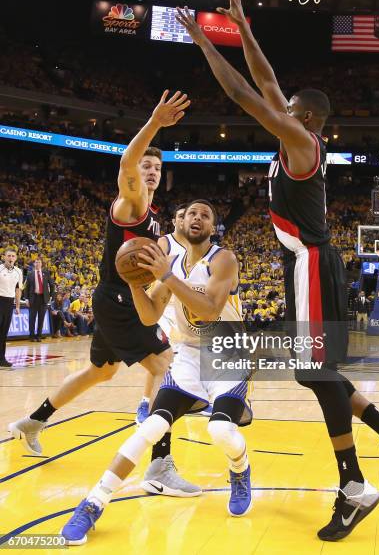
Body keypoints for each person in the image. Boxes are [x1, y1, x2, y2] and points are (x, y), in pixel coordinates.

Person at [175, 0, 379, 541]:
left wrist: (204, 44)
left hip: (311, 263)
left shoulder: (303, 142)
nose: (278, 107)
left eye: (287, 108)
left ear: (303, 116)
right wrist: (241, 26)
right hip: (304, 265)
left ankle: (355, 485)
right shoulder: (299, 136)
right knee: (317, 372)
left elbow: (244, 93)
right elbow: (264, 81)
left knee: (313, 371)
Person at [9, 90, 200, 499]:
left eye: (156, 167)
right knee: (164, 364)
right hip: (117, 299)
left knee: (102, 371)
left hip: (117, 299)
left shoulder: (153, 219)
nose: (150, 170)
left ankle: (33, 421)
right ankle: (159, 462)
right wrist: (152, 124)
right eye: (146, 165)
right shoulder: (129, 206)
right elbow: (126, 162)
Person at [61, 200, 252, 545]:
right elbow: (149, 316)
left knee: (222, 430)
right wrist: (134, 282)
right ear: (181, 222)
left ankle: (240, 470)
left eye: (205, 215)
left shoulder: (223, 259)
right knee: (151, 425)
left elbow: (209, 310)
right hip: (189, 355)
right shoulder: (173, 262)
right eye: (191, 213)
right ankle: (93, 503)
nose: (197, 218)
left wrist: (165, 275)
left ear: (213, 227)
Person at [136, 203, 188, 425]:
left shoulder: (200, 247)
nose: (185, 219)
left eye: (188, 216)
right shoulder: (165, 242)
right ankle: (145, 402)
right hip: (163, 307)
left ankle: (185, 399)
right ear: (175, 221)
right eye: (180, 216)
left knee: (186, 358)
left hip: (185, 309)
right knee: (160, 356)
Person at [0, 248, 23, 367]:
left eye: (13, 256)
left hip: (9, 303)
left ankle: (2, 359)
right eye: (8, 256)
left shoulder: (19, 272)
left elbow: (18, 290)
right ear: (4, 257)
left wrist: (17, 306)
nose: (10, 258)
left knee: (3, 332)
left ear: (16, 258)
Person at [23, 257, 55, 342]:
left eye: (39, 262)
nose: (37, 264)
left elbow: (52, 285)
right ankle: (31, 336)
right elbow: (26, 288)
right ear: (34, 264)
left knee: (41, 318)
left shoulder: (46, 273)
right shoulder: (30, 274)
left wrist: (51, 296)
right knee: (32, 318)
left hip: (43, 299)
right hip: (33, 298)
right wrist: (26, 298)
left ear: (41, 264)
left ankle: (39, 336)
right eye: (36, 262)